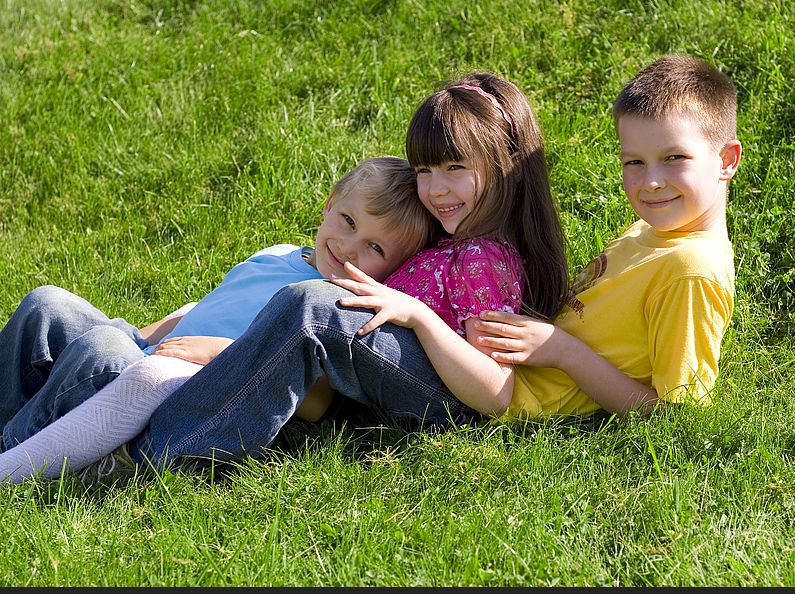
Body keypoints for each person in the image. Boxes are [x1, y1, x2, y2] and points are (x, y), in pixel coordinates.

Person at [125, 70, 570, 471]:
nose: (435, 189)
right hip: (379, 373)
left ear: (506, 168)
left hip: (442, 398)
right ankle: (147, 398)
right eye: (424, 170)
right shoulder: (456, 240)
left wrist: (416, 314)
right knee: (307, 304)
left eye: (455, 168)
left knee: (313, 308)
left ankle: (156, 452)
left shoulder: (484, 260)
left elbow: (496, 393)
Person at [0, 156, 432, 484]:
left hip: (173, 390)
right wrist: (138, 334)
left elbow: (314, 402)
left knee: (101, 352)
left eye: (375, 249)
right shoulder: (280, 253)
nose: (350, 247)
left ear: (394, 271)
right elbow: (207, 309)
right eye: (349, 221)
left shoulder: (338, 306)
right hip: (149, 350)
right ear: (329, 204)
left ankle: (14, 453)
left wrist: (220, 352)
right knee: (49, 304)